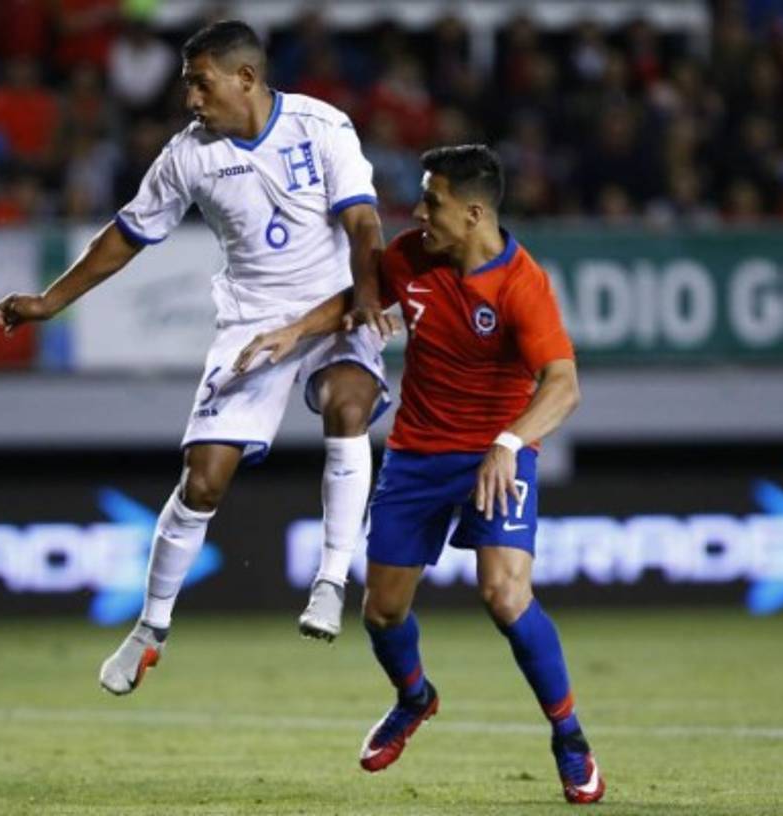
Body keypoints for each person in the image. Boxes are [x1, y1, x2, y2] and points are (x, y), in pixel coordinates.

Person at [0, 20, 391, 694]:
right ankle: (150, 629)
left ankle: (329, 581)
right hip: (251, 321)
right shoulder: (188, 155)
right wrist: (51, 301)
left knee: (348, 404)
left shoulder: (323, 127)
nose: (191, 100)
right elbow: (128, 234)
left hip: (336, 303)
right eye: (187, 87)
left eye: (200, 84)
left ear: (246, 78)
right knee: (203, 479)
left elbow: (364, 224)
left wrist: (368, 296)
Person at [233, 145, 605, 804]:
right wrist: (292, 333)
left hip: (496, 456)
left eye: (431, 201)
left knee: (505, 596)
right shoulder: (412, 256)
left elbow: (564, 385)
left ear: (474, 212)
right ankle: (415, 698)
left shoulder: (522, 284)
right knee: (381, 612)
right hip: (416, 455)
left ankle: (570, 738)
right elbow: (358, 295)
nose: (419, 211)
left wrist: (510, 441)